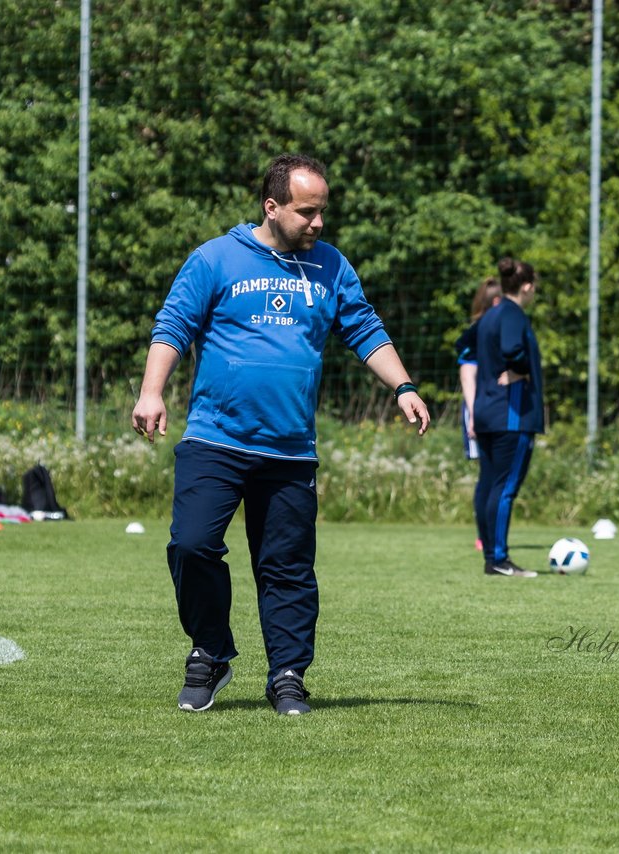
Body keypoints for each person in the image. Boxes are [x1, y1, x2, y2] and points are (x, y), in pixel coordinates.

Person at [132, 153, 430, 715]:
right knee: (191, 545)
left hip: (290, 449)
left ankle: (288, 674)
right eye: (306, 212)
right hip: (215, 439)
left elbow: (364, 327)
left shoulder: (332, 266)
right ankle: (211, 652)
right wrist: (152, 390)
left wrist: (403, 386)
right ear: (272, 207)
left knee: (287, 569)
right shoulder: (215, 259)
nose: (318, 224)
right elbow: (173, 325)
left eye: (322, 212)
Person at [471, 257, 544, 578]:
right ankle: (499, 559)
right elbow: (514, 349)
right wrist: (520, 371)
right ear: (527, 286)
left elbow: (468, 348)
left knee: (488, 485)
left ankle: (491, 557)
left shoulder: (489, 316)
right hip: (511, 416)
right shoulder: (513, 314)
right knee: (504, 487)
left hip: (487, 411)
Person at [454, 276, 502, 552]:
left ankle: (492, 534)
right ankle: (485, 537)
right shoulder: (478, 332)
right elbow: (467, 373)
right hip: (479, 410)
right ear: (496, 302)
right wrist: (474, 414)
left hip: (493, 410)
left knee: (495, 475)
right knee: (488, 476)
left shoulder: (496, 331)